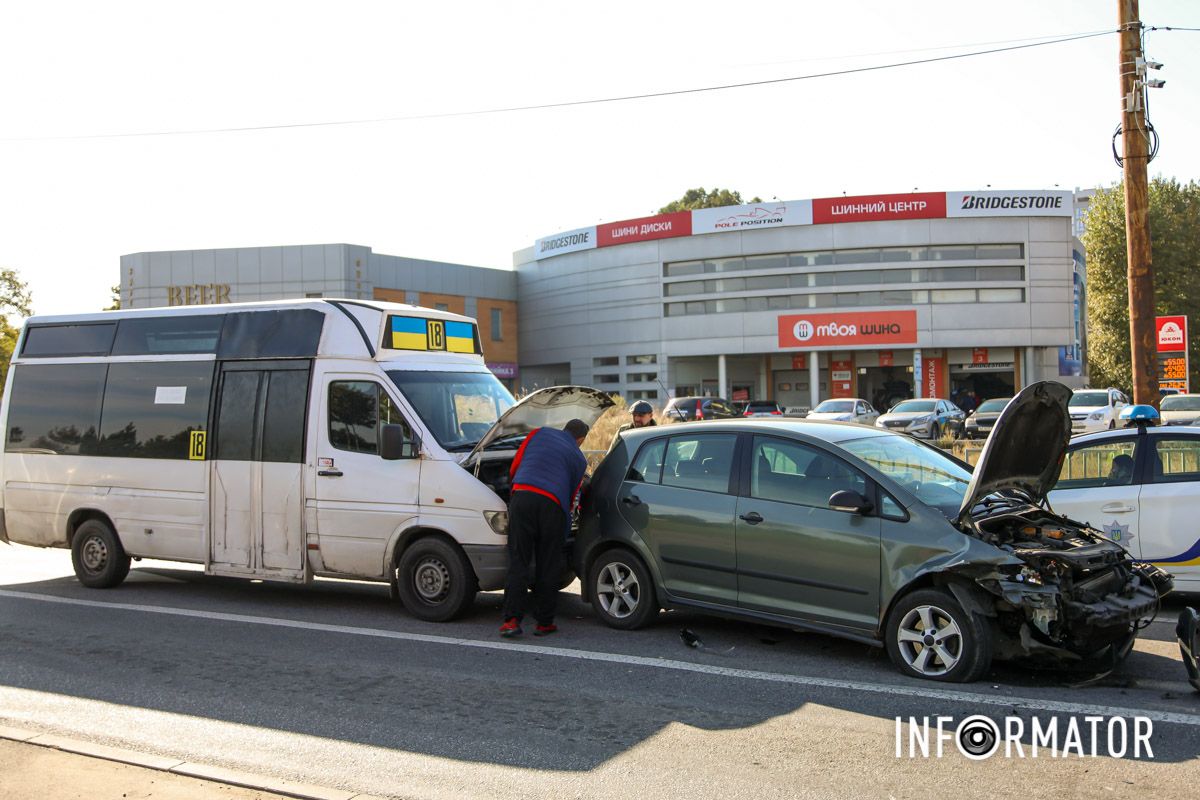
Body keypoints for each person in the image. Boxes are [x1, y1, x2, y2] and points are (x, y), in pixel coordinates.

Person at [499, 418, 590, 638]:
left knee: (518, 560)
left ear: (564, 429)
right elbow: (571, 498)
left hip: (523, 496)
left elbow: (516, 465)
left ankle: (511, 621)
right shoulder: (579, 459)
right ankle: (544, 623)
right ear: (581, 439)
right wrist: (564, 527)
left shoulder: (538, 433)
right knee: (548, 564)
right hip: (553, 505)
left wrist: (515, 492)